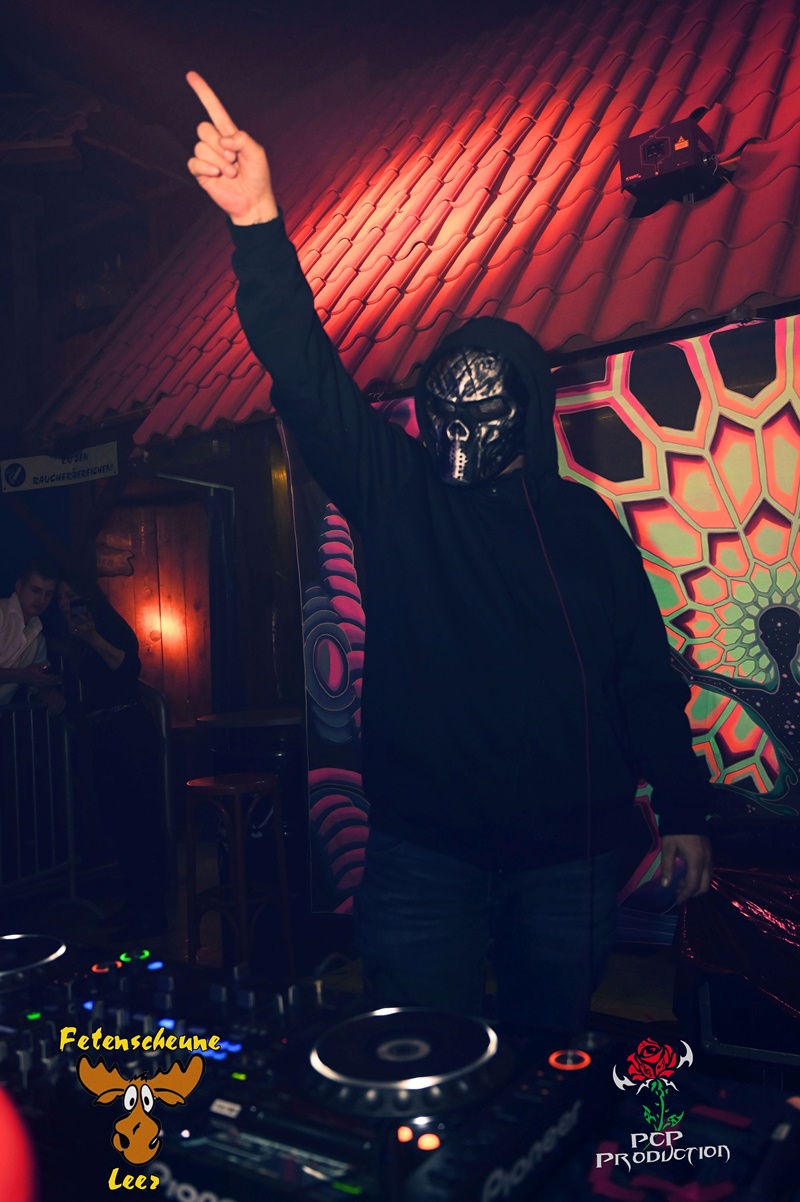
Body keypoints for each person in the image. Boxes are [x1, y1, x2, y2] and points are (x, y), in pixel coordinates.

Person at [186, 73, 714, 1032]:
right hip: (424, 857)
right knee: (418, 1066)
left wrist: (683, 811)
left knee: (546, 1066)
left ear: (528, 412)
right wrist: (257, 224)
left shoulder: (583, 524)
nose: (460, 428)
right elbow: (304, 372)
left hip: (568, 858)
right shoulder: (396, 492)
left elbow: (643, 676)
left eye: (485, 407)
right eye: (446, 405)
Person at [54, 576, 167, 938]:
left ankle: (152, 913)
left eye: (72, 595)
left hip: (129, 729)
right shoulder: (71, 638)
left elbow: (128, 668)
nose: (66, 603)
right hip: (104, 732)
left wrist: (91, 636)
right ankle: (135, 905)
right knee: (117, 822)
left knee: (139, 822)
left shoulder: (110, 627)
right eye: (61, 597)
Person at [0, 559, 64, 714]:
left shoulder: (37, 635)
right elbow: (26, 676)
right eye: (36, 590)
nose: (42, 599)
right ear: (19, 586)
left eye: (48, 594)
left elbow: (35, 684)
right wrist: (23, 675)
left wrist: (50, 693)